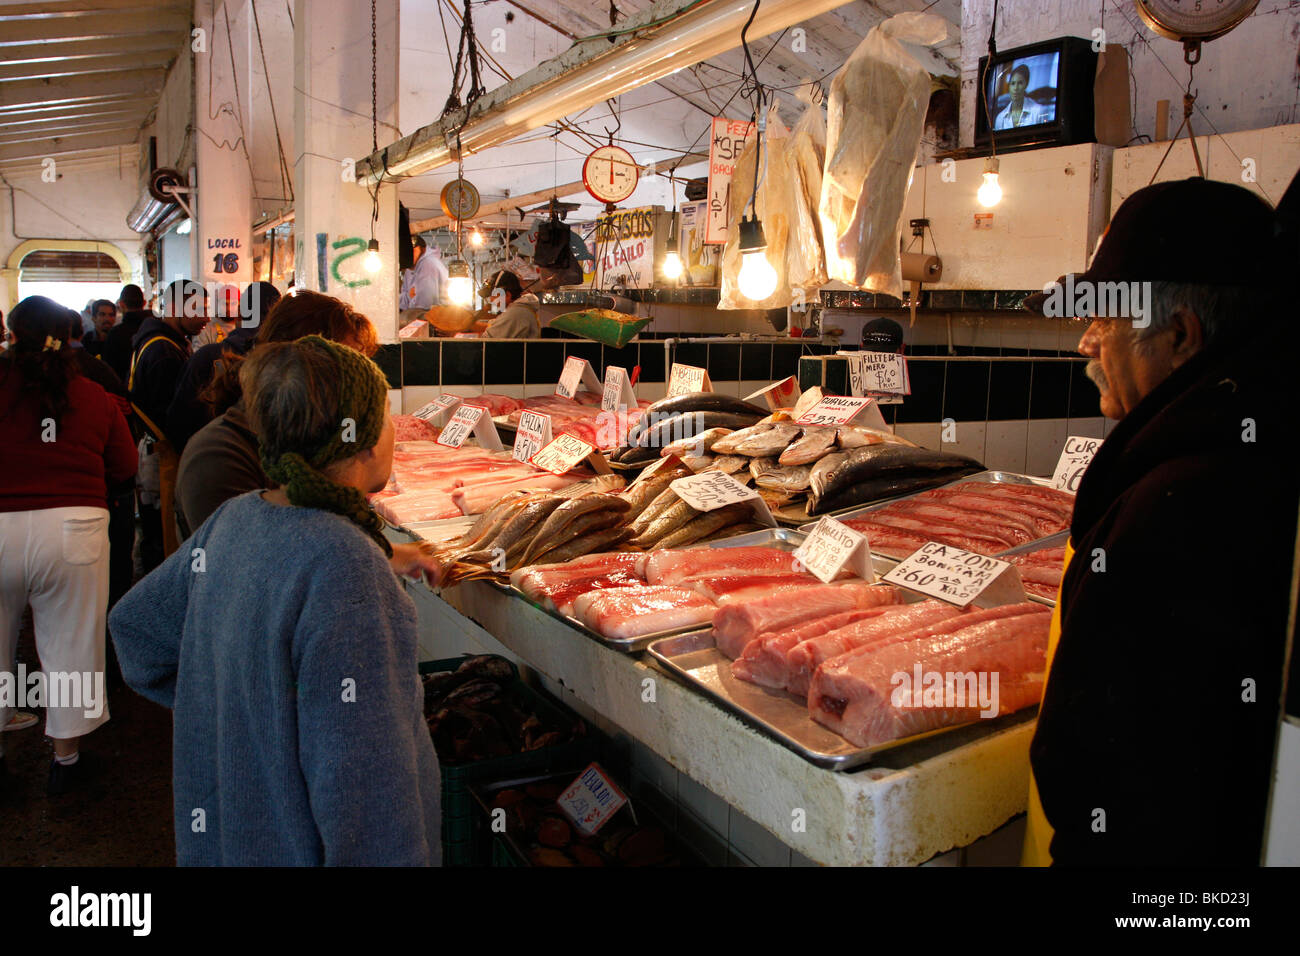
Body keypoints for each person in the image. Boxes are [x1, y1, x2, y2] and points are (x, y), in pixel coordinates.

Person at [1021, 177, 1297, 866]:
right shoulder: (1251, 448)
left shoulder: (1178, 508)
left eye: (1106, 320)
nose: (1086, 343)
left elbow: (1119, 798)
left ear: (1179, 336)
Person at [110, 335, 441, 864]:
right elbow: (367, 792)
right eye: (385, 415)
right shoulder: (346, 567)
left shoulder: (236, 519)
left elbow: (136, 632)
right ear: (359, 439)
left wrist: (241, 718)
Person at [0, 296, 137, 794]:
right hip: (74, 529)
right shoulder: (95, 395)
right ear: (71, 337)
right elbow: (123, 468)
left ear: (14, 336)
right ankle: (68, 763)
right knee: (69, 647)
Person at [61, 310, 138, 617]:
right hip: (97, 502)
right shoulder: (96, 376)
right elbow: (124, 460)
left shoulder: (15, 379)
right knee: (104, 591)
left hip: (21, 520)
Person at [129, 278, 208, 568]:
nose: (206, 317)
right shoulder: (162, 351)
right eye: (198, 309)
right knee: (164, 543)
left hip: (155, 453)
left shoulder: (163, 343)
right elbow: (174, 418)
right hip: (163, 457)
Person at [165, 282, 281, 453]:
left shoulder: (206, 357)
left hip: (209, 455)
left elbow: (178, 421)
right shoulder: (282, 361)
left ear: (240, 312)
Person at [100, 283, 150, 383]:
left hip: (123, 391)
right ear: (144, 303)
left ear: (121, 304)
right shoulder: (154, 328)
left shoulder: (115, 334)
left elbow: (109, 371)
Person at [476, 269, 541, 338]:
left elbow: (485, 341)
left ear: (507, 295)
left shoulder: (516, 313)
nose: (491, 300)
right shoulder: (519, 309)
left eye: (493, 296)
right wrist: (471, 324)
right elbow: (495, 326)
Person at [399, 235, 448, 316]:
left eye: (413, 250)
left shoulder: (428, 264)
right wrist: (409, 296)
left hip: (440, 318)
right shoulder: (410, 269)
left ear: (422, 249)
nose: (409, 254)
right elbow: (403, 302)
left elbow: (423, 304)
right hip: (426, 316)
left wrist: (410, 298)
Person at [993, 63, 1051, 130]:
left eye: (1020, 83)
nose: (1015, 88)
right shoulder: (1000, 118)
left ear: (1026, 85)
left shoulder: (1039, 111)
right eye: (1012, 83)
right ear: (1009, 86)